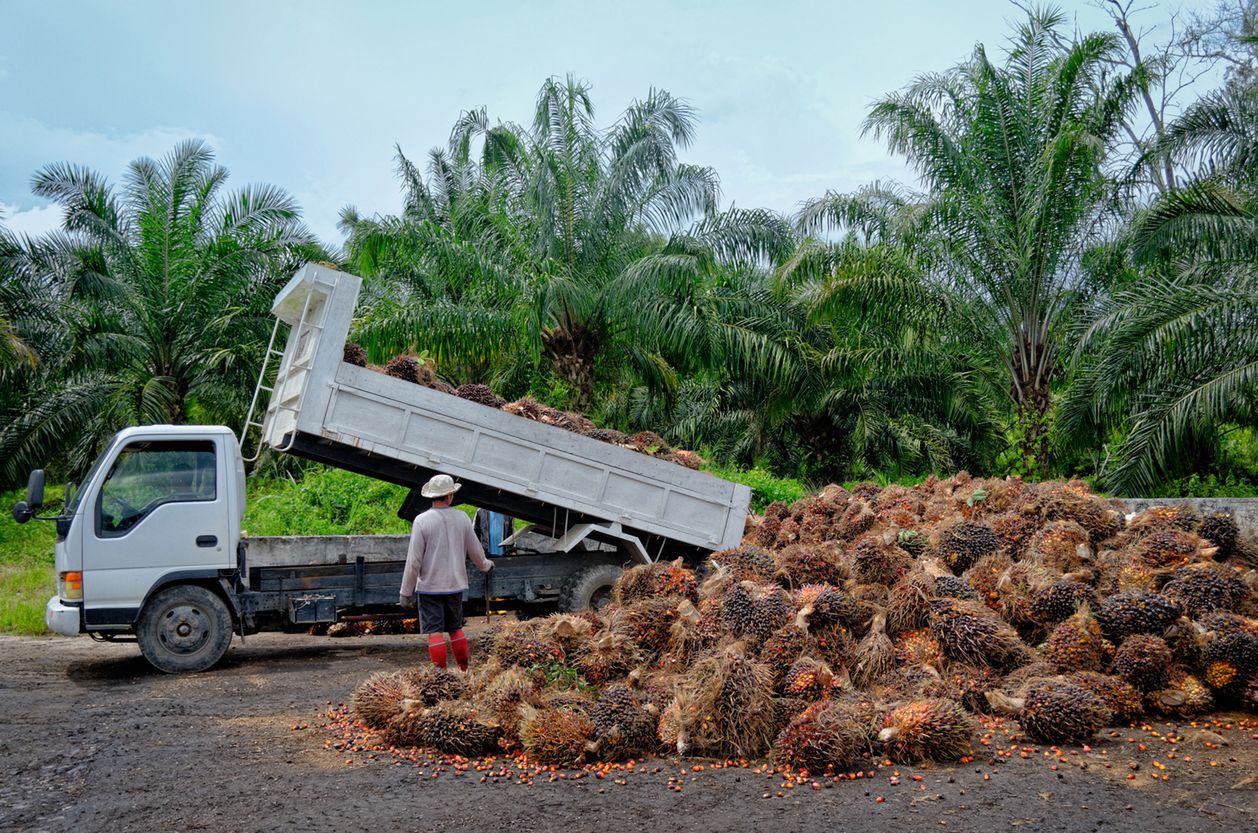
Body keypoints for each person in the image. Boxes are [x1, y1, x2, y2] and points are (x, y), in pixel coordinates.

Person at [399, 474, 493, 670]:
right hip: (455, 585)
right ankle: (464, 671)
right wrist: (485, 565)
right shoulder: (462, 518)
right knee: (456, 629)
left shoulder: (422, 521)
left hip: (430, 587)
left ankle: (440, 675)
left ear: (431, 496)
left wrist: (405, 592)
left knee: (435, 632)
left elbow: (414, 561)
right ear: (450, 495)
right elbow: (475, 550)